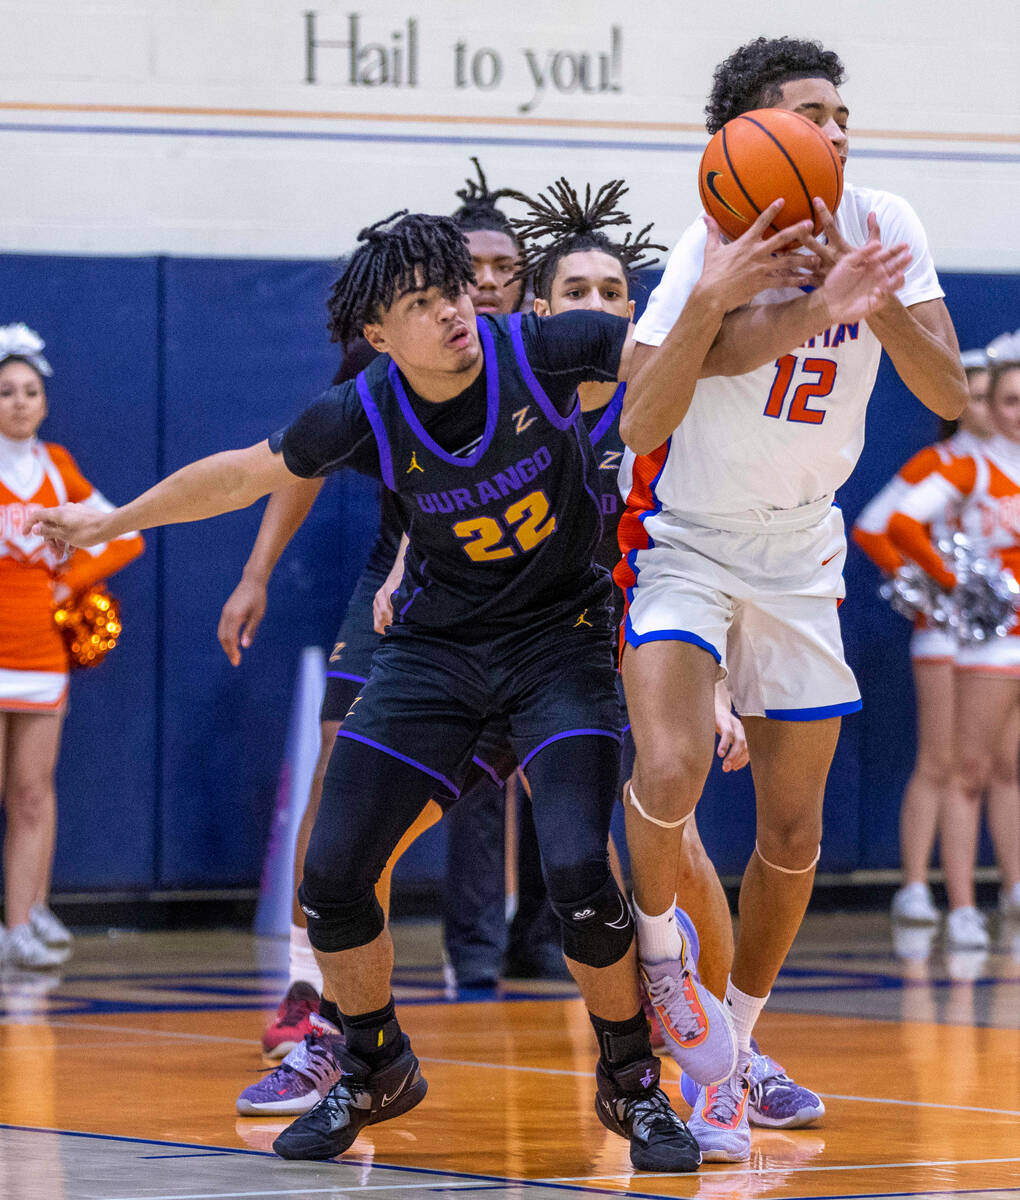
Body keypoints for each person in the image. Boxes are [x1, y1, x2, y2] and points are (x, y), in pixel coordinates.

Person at [28, 211, 759, 1171]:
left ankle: (634, 1089)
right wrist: (111, 519)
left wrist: (789, 304)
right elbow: (246, 474)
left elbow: (701, 355)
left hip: (560, 642)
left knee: (581, 868)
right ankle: (375, 1064)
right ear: (379, 334)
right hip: (437, 649)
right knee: (330, 874)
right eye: (423, 303)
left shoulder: (542, 344)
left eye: (455, 289)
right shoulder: (366, 407)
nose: (455, 311)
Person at [614, 35, 965, 1161]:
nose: (838, 124)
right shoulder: (704, 240)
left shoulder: (888, 222)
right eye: (810, 109)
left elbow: (950, 392)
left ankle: (737, 1055)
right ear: (753, 131)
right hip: (691, 541)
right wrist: (746, 300)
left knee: (795, 828)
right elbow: (640, 413)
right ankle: (666, 962)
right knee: (668, 767)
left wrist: (877, 297)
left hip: (805, 553)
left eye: (840, 107)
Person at [515, 176, 825, 1130]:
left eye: (616, 293)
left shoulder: (678, 386)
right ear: (540, 310)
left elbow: (710, 553)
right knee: (375, 817)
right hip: (527, 645)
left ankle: (728, 1057)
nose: (601, 310)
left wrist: (721, 683)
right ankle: (330, 1019)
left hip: (637, 630)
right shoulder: (504, 398)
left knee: (676, 840)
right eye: (579, 295)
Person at [218, 160, 533, 1067]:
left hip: (536, 597)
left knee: (548, 794)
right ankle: (312, 985)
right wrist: (256, 573)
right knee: (342, 766)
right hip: (411, 572)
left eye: (495, 268)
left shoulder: (548, 348)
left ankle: (615, 1004)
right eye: (453, 272)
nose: (472, 289)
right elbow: (295, 461)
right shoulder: (390, 348)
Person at [853, 348, 1020, 938]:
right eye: (982, 397)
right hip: (956, 633)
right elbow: (878, 526)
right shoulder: (945, 463)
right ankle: (923, 888)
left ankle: (1006, 886)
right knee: (945, 763)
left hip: (1002, 635)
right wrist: (938, 591)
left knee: (1003, 766)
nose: (988, 408)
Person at [0, 324, 144, 969]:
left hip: (40, 649)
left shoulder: (57, 468)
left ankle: (23, 921)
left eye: (29, 391)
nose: (19, 402)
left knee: (32, 793)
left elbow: (126, 533)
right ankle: (19, 914)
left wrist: (69, 582)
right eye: (6, 392)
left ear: (45, 401)